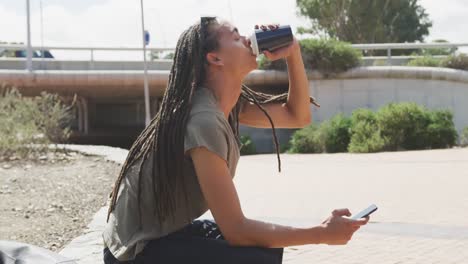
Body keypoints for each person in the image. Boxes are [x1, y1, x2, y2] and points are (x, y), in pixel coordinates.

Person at [102, 16, 369, 264]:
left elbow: (297, 116)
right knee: (251, 256)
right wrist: (321, 233)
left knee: (263, 248)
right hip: (135, 252)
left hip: (164, 235)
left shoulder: (225, 105)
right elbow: (237, 231)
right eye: (235, 35)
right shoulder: (203, 119)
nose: (246, 38)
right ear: (215, 58)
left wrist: (293, 53)